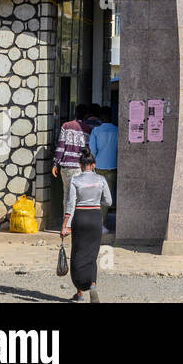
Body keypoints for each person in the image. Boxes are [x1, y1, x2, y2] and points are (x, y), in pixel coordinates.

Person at [60, 149, 112, 302]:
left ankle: (80, 293)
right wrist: (97, 204)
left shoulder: (75, 181)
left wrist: (65, 225)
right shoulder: (101, 180)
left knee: (77, 254)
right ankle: (93, 285)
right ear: (94, 165)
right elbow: (109, 201)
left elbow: (70, 205)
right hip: (95, 217)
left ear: (80, 165)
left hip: (80, 217)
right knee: (91, 255)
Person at [52, 105, 91, 216]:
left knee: (67, 195)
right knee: (76, 197)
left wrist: (55, 163)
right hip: (78, 168)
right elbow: (87, 149)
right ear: (86, 115)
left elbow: (60, 146)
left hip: (65, 168)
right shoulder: (87, 129)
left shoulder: (66, 125)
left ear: (75, 113)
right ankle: (70, 224)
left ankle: (66, 220)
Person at [88, 112, 118, 212]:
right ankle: (101, 223)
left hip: (98, 167)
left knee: (96, 196)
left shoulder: (96, 130)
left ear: (101, 119)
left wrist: (92, 162)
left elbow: (93, 150)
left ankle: (95, 221)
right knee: (107, 197)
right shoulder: (117, 130)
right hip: (112, 167)